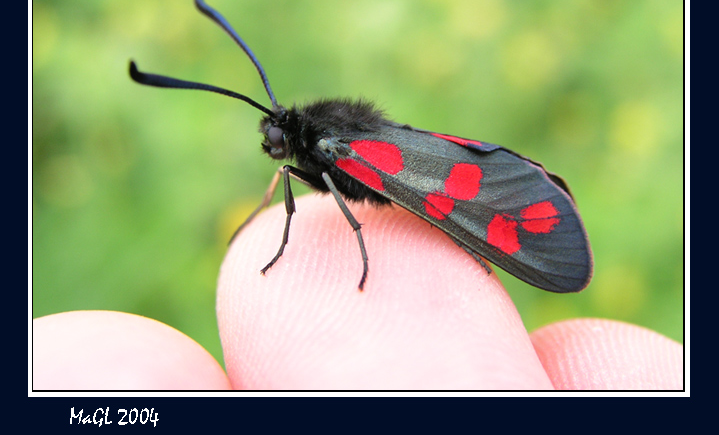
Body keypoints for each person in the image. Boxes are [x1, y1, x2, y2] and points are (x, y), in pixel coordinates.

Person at [32, 195, 683, 391]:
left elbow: (350, 193)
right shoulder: (309, 159)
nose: (274, 151)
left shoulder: (336, 149)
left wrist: (359, 241)